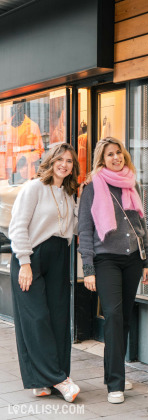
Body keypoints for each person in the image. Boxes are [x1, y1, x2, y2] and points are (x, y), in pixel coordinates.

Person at [78, 137, 148, 404]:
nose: (116, 158)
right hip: (105, 260)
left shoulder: (132, 183)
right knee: (113, 315)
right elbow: (84, 231)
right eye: (110, 154)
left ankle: (115, 372)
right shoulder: (92, 187)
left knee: (124, 319)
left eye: (119, 153)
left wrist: (147, 261)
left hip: (132, 259)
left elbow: (141, 226)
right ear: (102, 158)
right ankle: (115, 384)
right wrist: (88, 268)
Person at [9, 143, 81, 403]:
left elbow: (74, 229)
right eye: (59, 159)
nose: (64, 164)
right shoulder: (33, 188)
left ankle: (43, 380)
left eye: (69, 161)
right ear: (50, 161)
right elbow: (17, 227)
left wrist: (81, 198)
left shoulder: (68, 193)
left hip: (59, 256)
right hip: (31, 258)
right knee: (36, 319)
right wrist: (25, 262)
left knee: (58, 318)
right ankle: (59, 379)